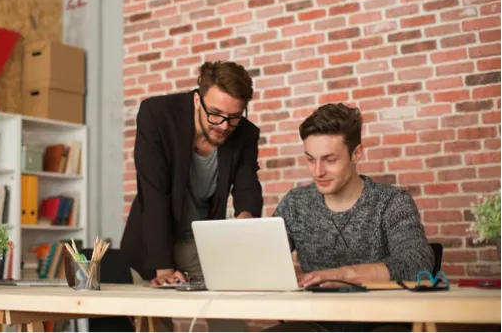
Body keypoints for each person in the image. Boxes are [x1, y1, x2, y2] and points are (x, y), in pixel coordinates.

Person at [120, 60, 263, 333]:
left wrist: (246, 223)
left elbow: (247, 187)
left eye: (234, 117)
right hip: (155, 242)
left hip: (203, 245)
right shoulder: (157, 115)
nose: (224, 126)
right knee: (155, 324)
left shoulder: (245, 133)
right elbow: (154, 192)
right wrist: (163, 268)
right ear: (198, 99)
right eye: (216, 114)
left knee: (229, 322)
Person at [265, 103, 434, 333]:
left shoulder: (392, 202)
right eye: (310, 159)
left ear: (357, 154)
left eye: (330, 160)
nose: (317, 171)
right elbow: (265, 260)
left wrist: (344, 275)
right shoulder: (295, 204)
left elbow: (418, 262)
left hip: (381, 324)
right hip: (315, 325)